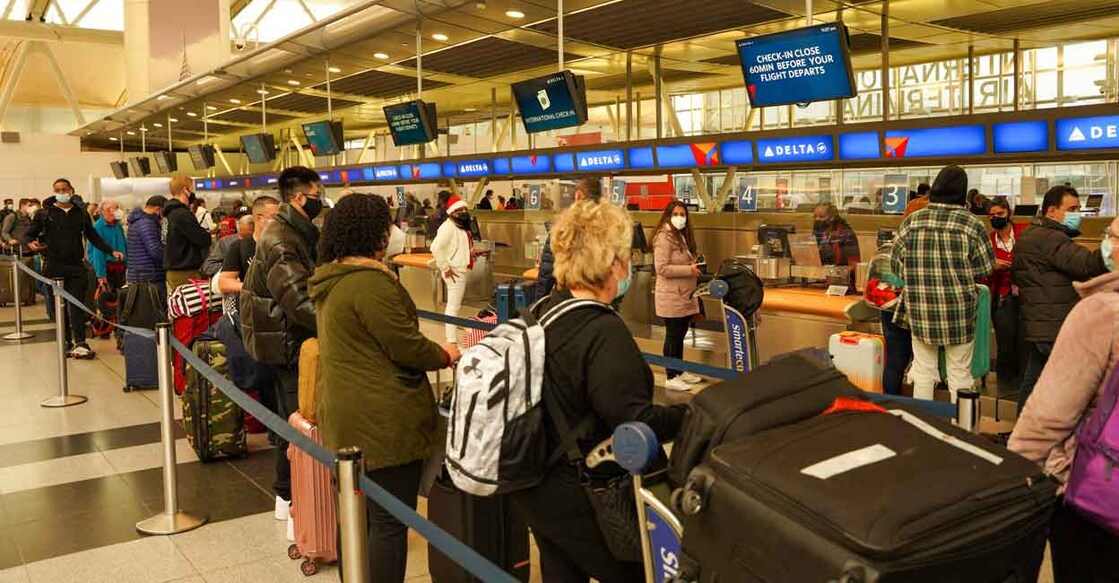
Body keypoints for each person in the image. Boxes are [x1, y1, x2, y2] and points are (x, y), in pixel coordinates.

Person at [510, 200, 686, 583]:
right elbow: (635, 421)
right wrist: (691, 416)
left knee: (561, 569)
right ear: (611, 263)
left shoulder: (543, 310)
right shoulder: (603, 331)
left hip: (535, 479)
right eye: (624, 255)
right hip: (582, 489)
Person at [308, 193, 458, 582]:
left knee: (355, 518)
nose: (393, 232)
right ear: (372, 234)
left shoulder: (332, 278)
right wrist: (444, 354)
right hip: (382, 422)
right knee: (390, 523)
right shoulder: (369, 284)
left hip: (344, 415)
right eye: (387, 225)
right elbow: (405, 345)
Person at [1008, 216, 1119, 582]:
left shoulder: (1102, 313)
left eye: (1111, 235)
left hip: (1097, 495)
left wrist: (1012, 476)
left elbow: (1048, 416)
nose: (1105, 242)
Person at [240, 166, 321, 529]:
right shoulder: (283, 239)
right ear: (300, 197)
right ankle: (297, 510)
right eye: (317, 192)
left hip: (283, 339)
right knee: (299, 427)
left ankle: (285, 497)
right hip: (288, 343)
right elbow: (300, 302)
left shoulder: (293, 232)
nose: (322, 198)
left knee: (291, 425)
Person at [890, 165, 995, 402]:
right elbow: (985, 268)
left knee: (923, 371)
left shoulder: (912, 222)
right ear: (962, 193)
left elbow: (896, 267)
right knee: (960, 375)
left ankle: (924, 429)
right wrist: (959, 273)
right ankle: (963, 431)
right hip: (959, 312)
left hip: (920, 310)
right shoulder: (972, 224)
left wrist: (920, 277)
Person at [1012, 185, 1107, 411]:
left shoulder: (1030, 234)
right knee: (1073, 386)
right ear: (1052, 211)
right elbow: (1086, 264)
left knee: (1034, 380)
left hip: (1040, 322)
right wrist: (1111, 249)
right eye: (1072, 208)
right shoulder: (1051, 238)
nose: (1077, 213)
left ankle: (1022, 433)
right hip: (1056, 325)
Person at [26, 179, 124, 359]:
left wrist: (110, 250)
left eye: (64, 189)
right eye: (58, 189)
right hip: (53, 266)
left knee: (77, 304)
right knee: (59, 307)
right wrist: (30, 243)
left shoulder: (80, 213)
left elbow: (92, 236)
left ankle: (80, 340)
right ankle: (65, 340)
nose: (61, 192)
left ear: (71, 190)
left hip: (76, 266)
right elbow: (30, 234)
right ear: (54, 191)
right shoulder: (44, 213)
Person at [653, 201, 703, 392]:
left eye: (683, 214)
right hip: (671, 296)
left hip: (684, 295)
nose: (680, 217)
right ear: (668, 215)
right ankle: (671, 375)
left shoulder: (680, 236)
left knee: (680, 335)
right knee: (673, 336)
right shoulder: (663, 238)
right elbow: (662, 268)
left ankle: (680, 370)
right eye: (676, 213)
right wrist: (688, 269)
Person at [985, 198, 1027, 398]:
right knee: (1006, 344)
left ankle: (1024, 387)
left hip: (1027, 295)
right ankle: (1006, 390)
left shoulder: (1025, 232)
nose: (995, 218)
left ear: (1009, 214)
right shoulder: (988, 241)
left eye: (999, 214)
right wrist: (993, 266)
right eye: (992, 216)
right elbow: (982, 270)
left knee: (1025, 343)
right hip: (1002, 296)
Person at [535, 177, 602, 298]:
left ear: (578, 196)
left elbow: (547, 273)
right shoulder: (609, 227)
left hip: (569, 300)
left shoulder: (562, 227)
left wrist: (539, 303)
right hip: (602, 300)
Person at [430, 195, 479, 346]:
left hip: (459, 269)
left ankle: (451, 337)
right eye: (459, 210)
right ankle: (451, 339)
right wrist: (445, 268)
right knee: (453, 306)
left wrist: (470, 252)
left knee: (454, 306)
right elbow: (435, 248)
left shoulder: (459, 226)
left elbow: (457, 246)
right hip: (455, 271)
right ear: (451, 212)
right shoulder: (447, 227)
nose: (463, 212)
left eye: (464, 209)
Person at [217, 196, 279, 315]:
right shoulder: (239, 247)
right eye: (274, 217)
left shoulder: (283, 245)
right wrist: (252, 288)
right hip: (253, 313)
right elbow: (224, 282)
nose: (279, 222)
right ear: (259, 218)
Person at [163, 173, 212, 292]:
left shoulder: (168, 214)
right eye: (192, 189)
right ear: (185, 190)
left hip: (173, 271)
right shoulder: (182, 214)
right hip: (185, 273)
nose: (193, 193)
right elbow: (203, 239)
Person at [126, 195, 167, 298]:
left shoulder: (137, 222)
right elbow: (155, 251)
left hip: (139, 275)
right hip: (149, 277)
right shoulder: (147, 223)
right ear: (158, 210)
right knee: (154, 311)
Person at [201, 206, 252, 280]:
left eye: (247, 218)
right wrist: (230, 267)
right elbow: (208, 266)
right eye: (239, 218)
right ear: (235, 221)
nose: (243, 221)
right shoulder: (225, 242)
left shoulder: (262, 241)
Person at [88, 199, 127, 291]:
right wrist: (101, 274)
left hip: (120, 268)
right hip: (106, 269)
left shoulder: (118, 226)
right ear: (106, 211)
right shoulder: (98, 227)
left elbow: (124, 246)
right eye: (116, 208)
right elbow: (97, 252)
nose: (118, 211)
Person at [811, 202, 861, 269]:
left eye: (822, 217)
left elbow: (854, 265)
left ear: (832, 217)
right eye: (815, 217)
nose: (817, 219)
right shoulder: (819, 234)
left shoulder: (846, 235)